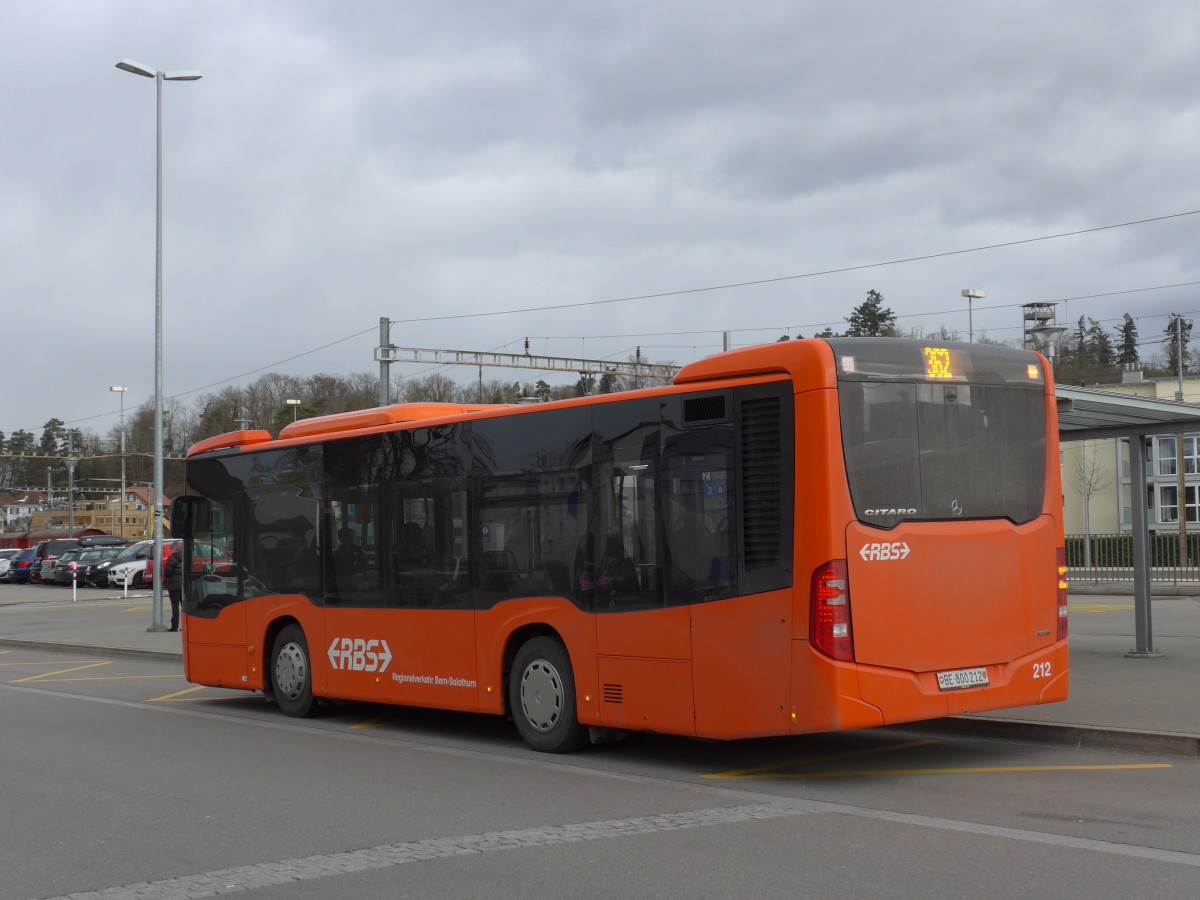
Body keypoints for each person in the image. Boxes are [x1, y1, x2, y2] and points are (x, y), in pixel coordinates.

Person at [164, 546, 183, 632]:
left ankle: (174, 627)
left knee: (175, 607)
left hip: (174, 585)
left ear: (175, 549)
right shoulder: (186, 558)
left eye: (171, 549)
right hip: (184, 585)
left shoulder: (172, 558)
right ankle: (186, 626)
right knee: (185, 607)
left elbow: (168, 571)